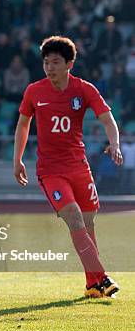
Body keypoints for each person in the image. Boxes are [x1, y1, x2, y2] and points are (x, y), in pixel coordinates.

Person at [13, 36, 122, 298]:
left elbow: (108, 119)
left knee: (87, 222)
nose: (49, 68)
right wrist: (17, 159)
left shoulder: (84, 89)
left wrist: (114, 144)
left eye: (56, 62)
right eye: (46, 62)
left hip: (79, 166)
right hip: (50, 170)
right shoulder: (34, 91)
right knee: (73, 216)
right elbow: (23, 124)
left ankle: (91, 285)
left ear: (69, 64)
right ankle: (102, 277)